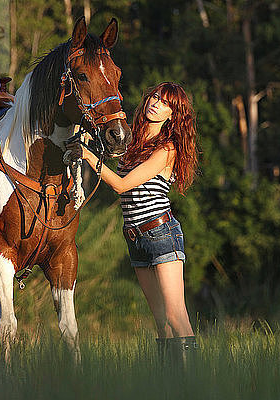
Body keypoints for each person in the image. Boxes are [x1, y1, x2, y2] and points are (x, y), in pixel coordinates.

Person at [66, 82, 199, 361]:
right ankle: (168, 385)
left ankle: (193, 384)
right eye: (154, 97)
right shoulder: (135, 142)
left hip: (161, 233)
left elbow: (122, 185)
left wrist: (88, 155)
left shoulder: (167, 149)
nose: (155, 103)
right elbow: (107, 148)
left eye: (164, 103)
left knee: (176, 317)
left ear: (173, 115)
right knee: (160, 323)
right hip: (136, 237)